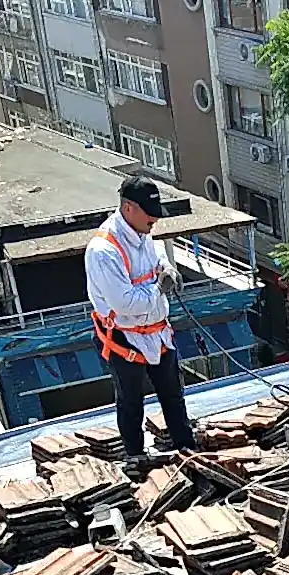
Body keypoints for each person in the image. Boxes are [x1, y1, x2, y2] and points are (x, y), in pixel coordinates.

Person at [86, 175, 197, 468]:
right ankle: (135, 456)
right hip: (125, 338)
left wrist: (167, 268)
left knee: (173, 394)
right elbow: (124, 303)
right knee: (131, 401)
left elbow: (156, 252)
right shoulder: (103, 250)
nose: (154, 222)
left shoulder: (143, 233)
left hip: (158, 333)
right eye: (149, 215)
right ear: (128, 208)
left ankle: (188, 451)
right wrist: (159, 288)